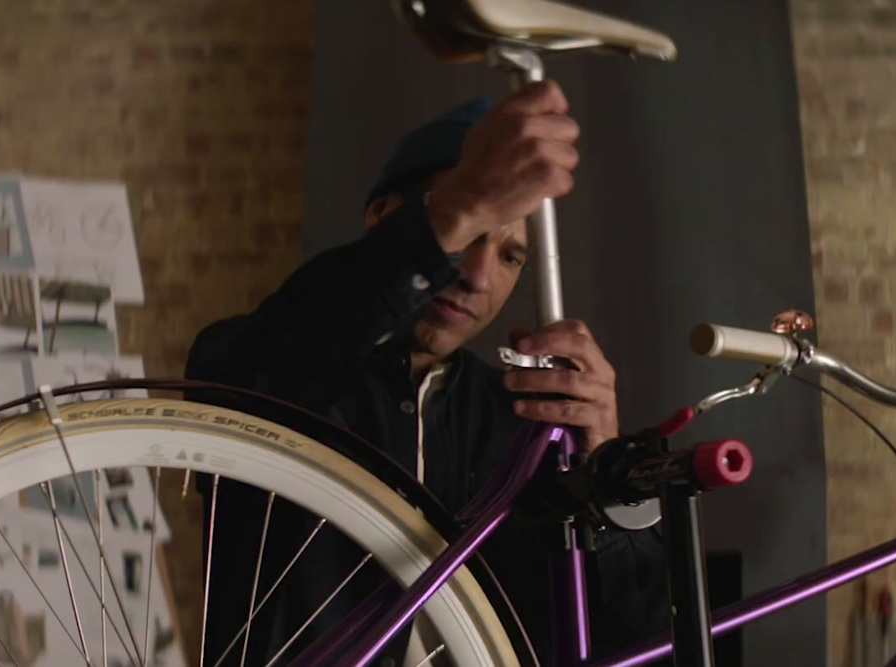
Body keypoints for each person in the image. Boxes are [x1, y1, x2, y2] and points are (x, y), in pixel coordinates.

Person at [186, 80, 667, 665]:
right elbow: (259, 371)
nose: (479, 277)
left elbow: (629, 631)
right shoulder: (266, 361)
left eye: (510, 253)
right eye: (467, 235)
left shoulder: (523, 424)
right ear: (383, 216)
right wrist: (450, 215)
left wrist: (605, 471)